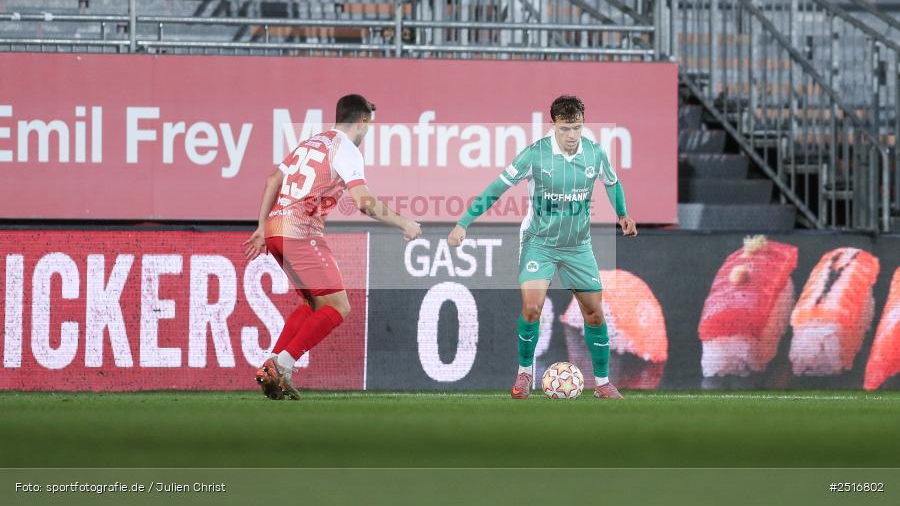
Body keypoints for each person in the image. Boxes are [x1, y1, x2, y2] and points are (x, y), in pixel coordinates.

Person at [447, 95, 637, 399]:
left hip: (577, 245)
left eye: (577, 127)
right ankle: (524, 374)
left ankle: (602, 383)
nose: (572, 135)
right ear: (554, 125)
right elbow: (496, 188)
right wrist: (463, 223)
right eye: (565, 129)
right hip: (540, 243)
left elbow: (612, 182)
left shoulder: (595, 154)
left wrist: (623, 214)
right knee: (532, 308)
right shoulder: (534, 155)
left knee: (595, 314)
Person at [243, 94, 421, 399]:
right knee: (339, 307)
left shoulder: (312, 142)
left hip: (275, 228)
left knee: (314, 305)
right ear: (362, 121)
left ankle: (273, 368)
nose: (368, 133)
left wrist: (261, 225)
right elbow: (364, 203)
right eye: (369, 126)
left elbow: (273, 179)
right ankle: (281, 365)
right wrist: (404, 223)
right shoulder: (346, 149)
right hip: (301, 230)